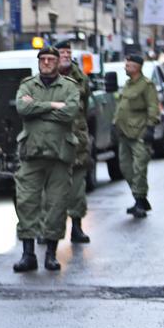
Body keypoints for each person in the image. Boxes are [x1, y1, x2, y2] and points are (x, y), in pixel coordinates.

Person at [12, 46, 80, 273]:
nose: (47, 63)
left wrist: (37, 107)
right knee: (26, 203)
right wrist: (52, 105)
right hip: (32, 153)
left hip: (60, 155)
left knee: (57, 205)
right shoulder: (28, 85)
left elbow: (70, 112)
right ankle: (28, 254)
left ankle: (51, 254)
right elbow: (22, 107)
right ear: (39, 61)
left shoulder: (69, 86)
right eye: (43, 59)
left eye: (52, 59)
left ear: (59, 61)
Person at [115, 54, 161, 218]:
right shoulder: (127, 84)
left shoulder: (146, 85)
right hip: (124, 133)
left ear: (137, 67)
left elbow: (153, 106)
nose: (125, 67)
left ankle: (140, 201)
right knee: (125, 168)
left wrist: (150, 128)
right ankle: (138, 197)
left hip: (139, 133)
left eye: (128, 65)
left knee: (139, 168)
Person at [55, 42, 91, 244]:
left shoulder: (81, 79)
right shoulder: (46, 78)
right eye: (62, 52)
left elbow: (85, 110)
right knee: (51, 189)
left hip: (77, 140)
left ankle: (76, 227)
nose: (66, 55)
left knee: (77, 187)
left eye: (69, 52)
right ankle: (48, 230)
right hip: (54, 141)